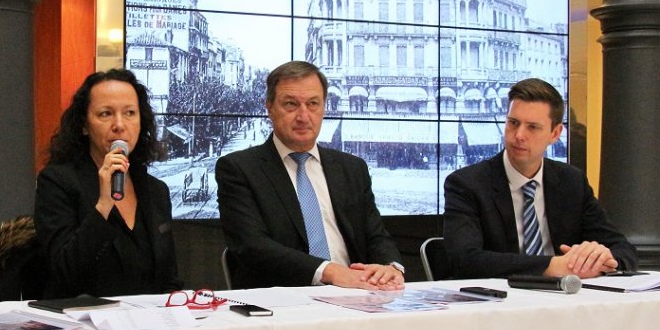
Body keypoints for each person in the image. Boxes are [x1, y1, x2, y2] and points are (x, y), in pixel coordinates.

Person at [215, 61, 405, 290]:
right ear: (270, 108)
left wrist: (390, 267)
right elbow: (252, 246)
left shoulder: (352, 168)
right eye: (291, 104)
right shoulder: (239, 169)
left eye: (313, 104)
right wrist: (330, 271)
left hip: (359, 296)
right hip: (284, 302)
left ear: (324, 107)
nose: (303, 116)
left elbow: (376, 235)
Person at [443, 78, 637, 279]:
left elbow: (624, 250)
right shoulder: (467, 184)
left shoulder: (572, 182)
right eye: (513, 123)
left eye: (532, 127)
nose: (518, 135)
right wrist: (552, 266)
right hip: (500, 303)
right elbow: (464, 260)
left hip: (565, 300)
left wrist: (601, 258)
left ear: (555, 133)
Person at [34, 69, 180, 298]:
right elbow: (63, 273)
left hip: (148, 326)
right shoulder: (57, 182)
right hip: (82, 323)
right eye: (105, 114)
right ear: (84, 125)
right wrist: (103, 206)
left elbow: (168, 278)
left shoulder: (156, 190)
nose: (119, 125)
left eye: (130, 113)